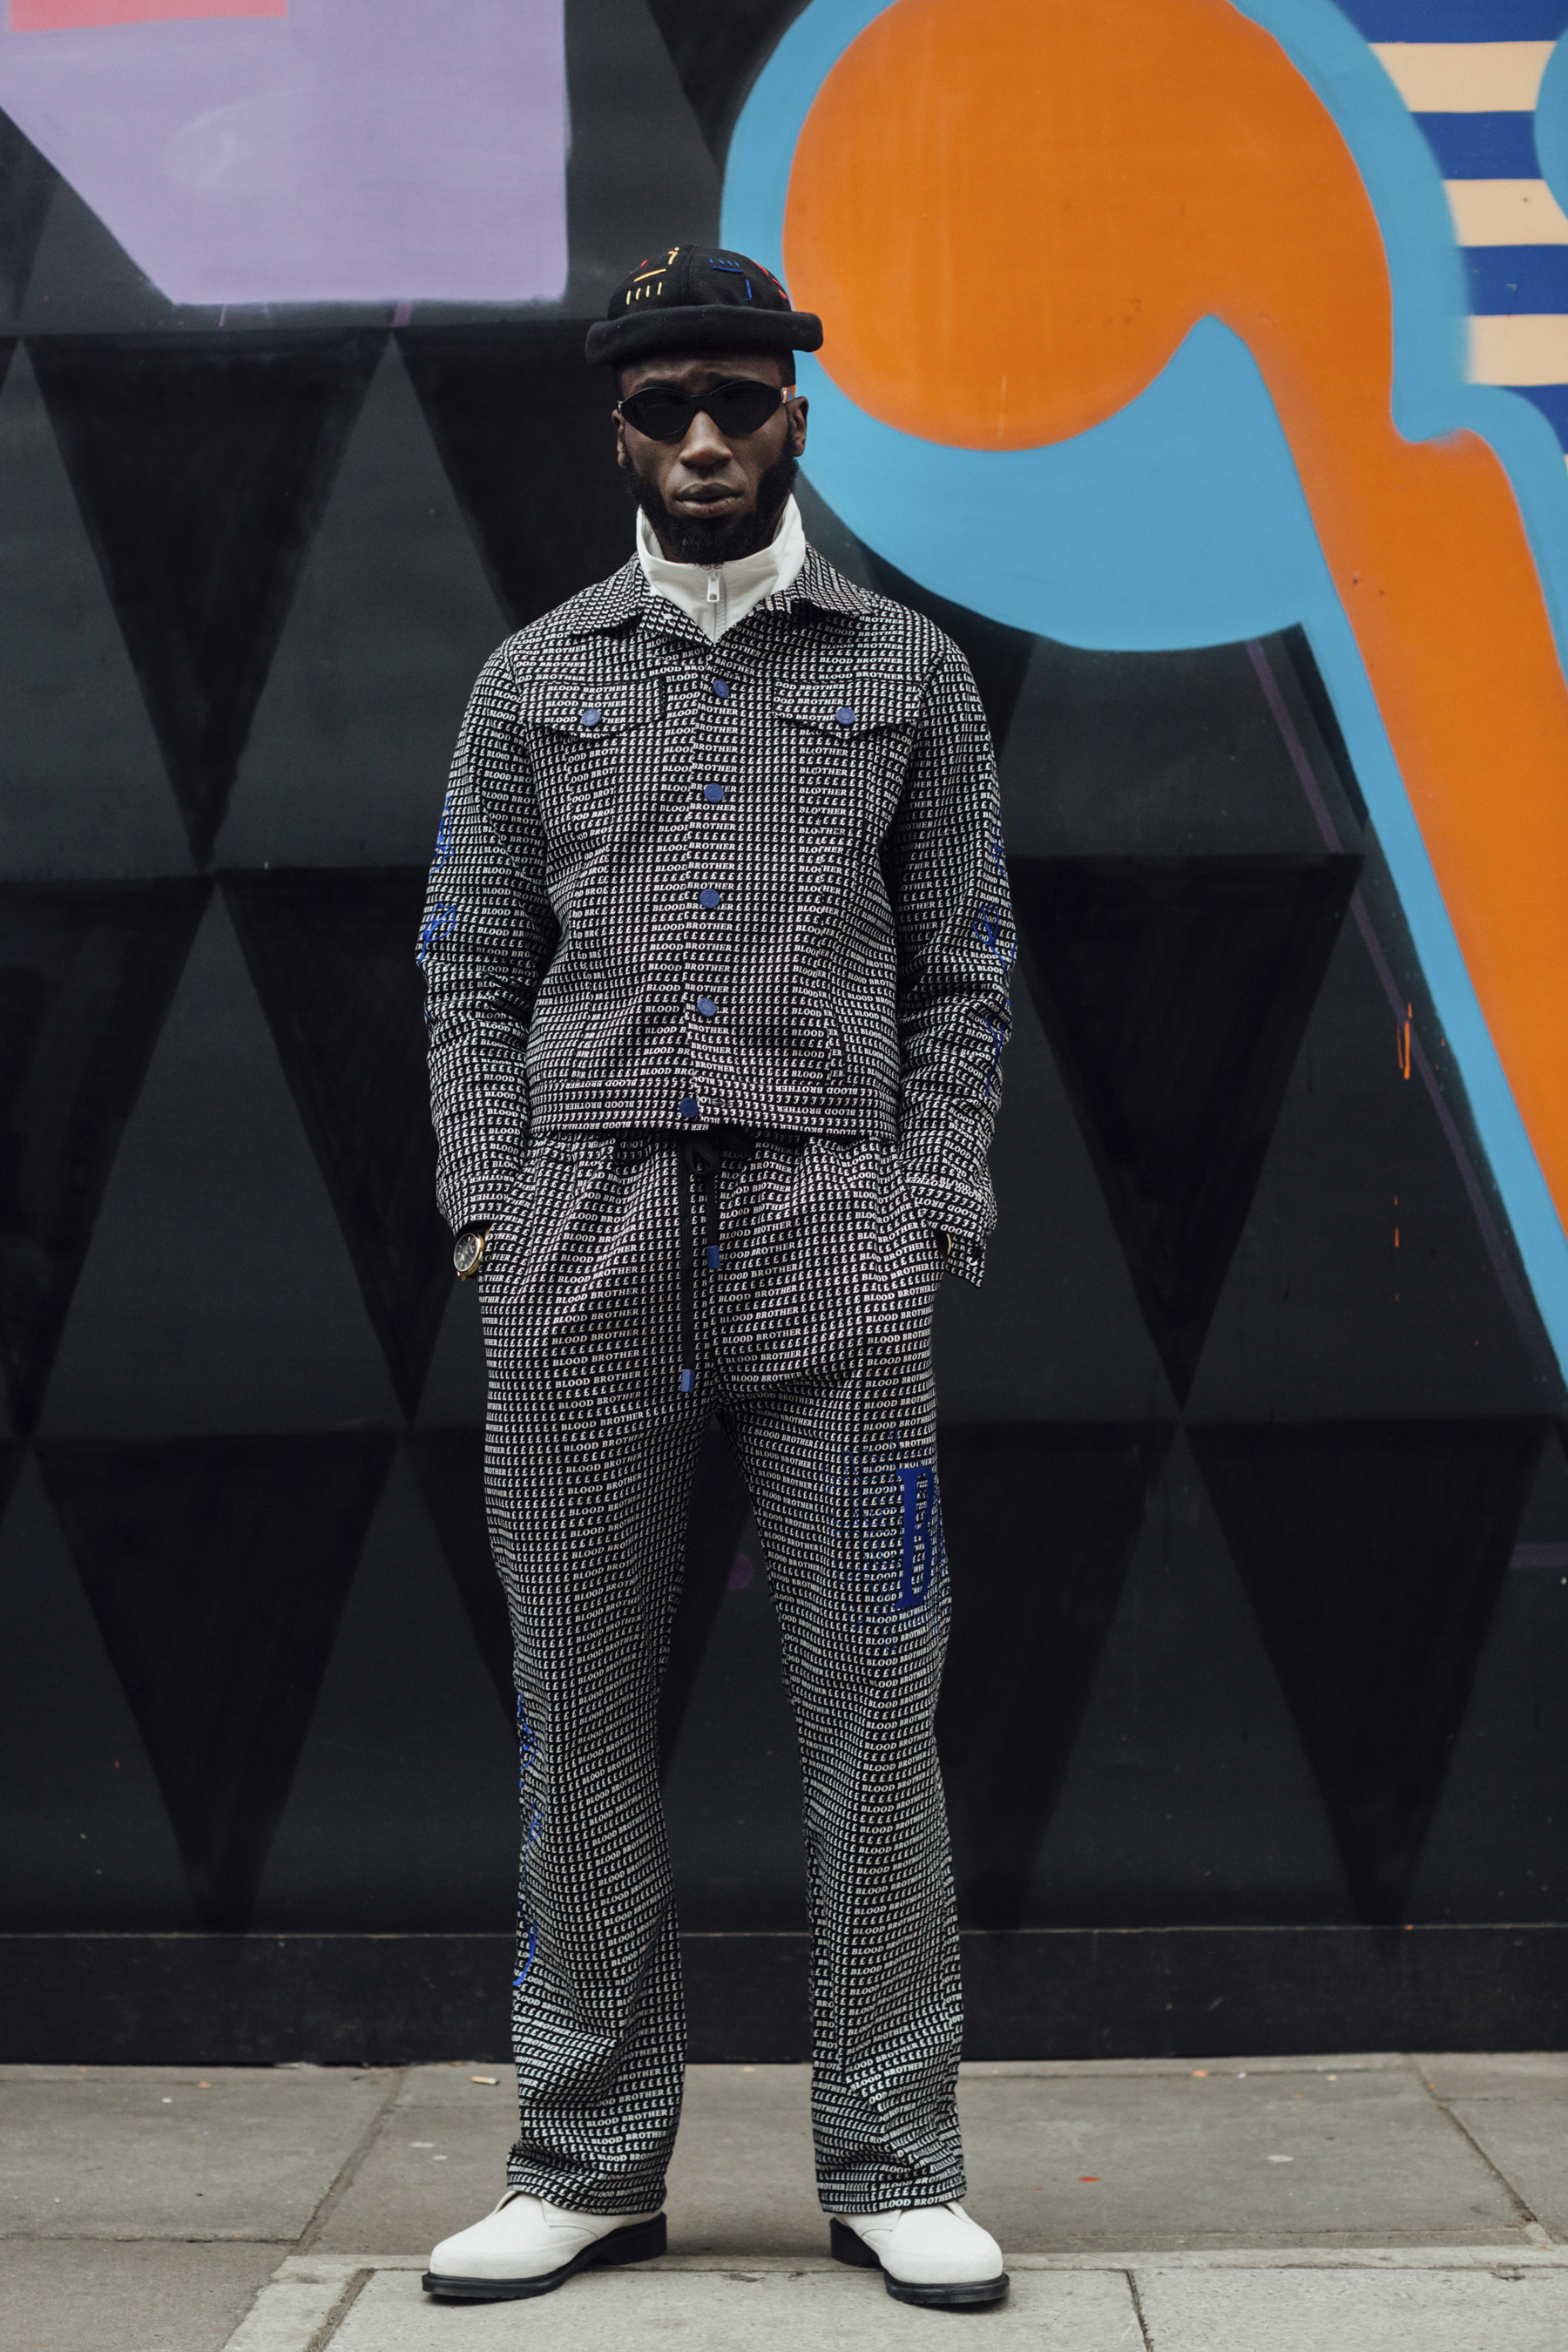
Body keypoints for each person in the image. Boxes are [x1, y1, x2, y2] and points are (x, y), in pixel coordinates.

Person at [416, 245, 1015, 2311]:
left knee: (877, 1707)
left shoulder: (907, 672)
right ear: (617, 427)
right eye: (662, 406)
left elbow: (967, 968)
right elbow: (468, 966)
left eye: (735, 403)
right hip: (581, 1244)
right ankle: (584, 2160)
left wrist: (925, 1201)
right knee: (577, 1713)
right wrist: (490, 1211)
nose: (699, 439)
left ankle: (897, 2158)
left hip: (833, 1235)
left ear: (794, 419)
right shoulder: (534, 680)